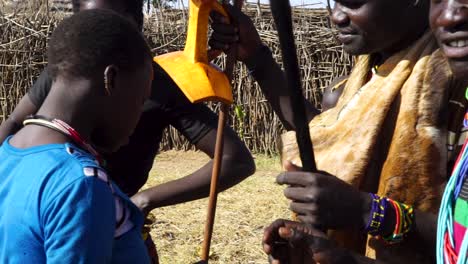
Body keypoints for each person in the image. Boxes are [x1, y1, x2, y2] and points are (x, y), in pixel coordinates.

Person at [0, 0, 255, 258]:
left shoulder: (154, 80)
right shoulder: (80, 184)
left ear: (137, 26)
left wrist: (142, 200)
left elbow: (235, 159)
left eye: (111, 29)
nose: (98, 46)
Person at [209, 1, 455, 262]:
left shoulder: (453, 90)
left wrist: (366, 210)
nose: (336, 16)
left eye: (353, 2)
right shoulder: (359, 81)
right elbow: (329, 141)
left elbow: (460, 238)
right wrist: (256, 57)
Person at [0, 9, 154, 263]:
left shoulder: (7, 155)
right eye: (140, 101)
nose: (138, 117)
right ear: (111, 80)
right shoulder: (80, 186)